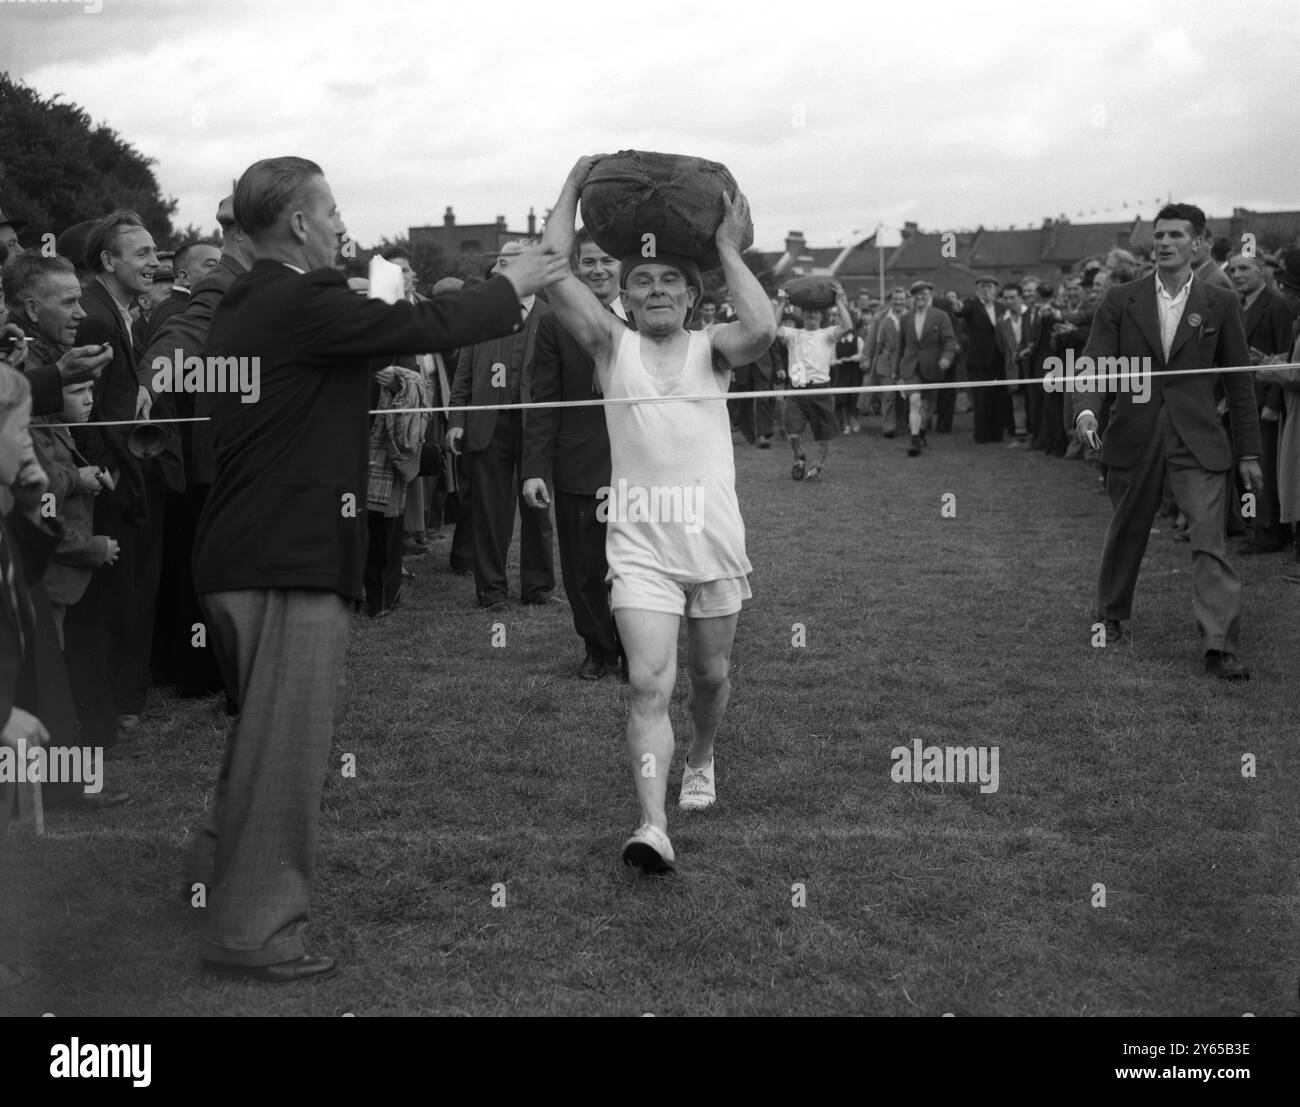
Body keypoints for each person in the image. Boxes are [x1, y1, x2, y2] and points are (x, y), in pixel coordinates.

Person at [184, 156, 568, 982]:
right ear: (296, 223)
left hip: (243, 554)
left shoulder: (256, 300)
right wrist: (516, 285)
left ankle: (210, 880)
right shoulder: (299, 298)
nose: (340, 227)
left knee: (257, 738)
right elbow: (423, 326)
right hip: (286, 559)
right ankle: (254, 929)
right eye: (330, 213)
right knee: (285, 751)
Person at [538, 156, 774, 873]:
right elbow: (551, 271)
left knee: (710, 675)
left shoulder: (716, 349)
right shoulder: (613, 348)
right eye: (643, 280)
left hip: (713, 544)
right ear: (627, 298)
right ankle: (652, 823)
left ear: (694, 297)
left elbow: (761, 327)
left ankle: (701, 754)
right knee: (647, 683)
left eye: (672, 279)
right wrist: (575, 186)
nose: (657, 288)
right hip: (639, 546)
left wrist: (728, 245)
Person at [1074, 203, 1261, 680]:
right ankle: (1110, 618)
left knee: (1208, 538)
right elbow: (1094, 365)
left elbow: (1240, 385)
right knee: (1127, 529)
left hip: (1198, 438)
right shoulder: (1121, 299)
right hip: (1135, 434)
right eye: (1158, 235)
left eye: (1176, 235)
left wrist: (1250, 453)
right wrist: (1089, 409)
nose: (1163, 242)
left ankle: (1219, 644)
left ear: (1199, 244)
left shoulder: (1221, 303)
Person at [522, 230, 627, 680]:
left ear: (624, 265)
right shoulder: (552, 324)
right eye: (589, 262)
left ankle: (639, 649)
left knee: (635, 569)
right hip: (579, 468)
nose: (598, 269)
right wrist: (533, 469)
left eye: (607, 259)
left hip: (641, 467)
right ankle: (600, 650)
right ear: (577, 267)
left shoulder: (649, 316)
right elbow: (542, 401)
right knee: (584, 570)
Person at [773, 282, 853, 480]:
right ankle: (799, 457)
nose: (812, 315)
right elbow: (771, 329)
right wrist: (783, 302)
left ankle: (818, 465)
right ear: (802, 313)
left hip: (821, 389)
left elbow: (848, 326)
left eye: (816, 312)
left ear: (822, 315)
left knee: (824, 436)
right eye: (808, 311)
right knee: (793, 434)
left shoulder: (828, 334)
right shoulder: (793, 334)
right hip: (797, 388)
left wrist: (839, 300)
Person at [896, 281, 956, 457]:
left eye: (923, 294)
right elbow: (901, 345)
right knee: (914, 401)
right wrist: (897, 371)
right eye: (916, 295)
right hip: (910, 366)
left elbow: (949, 341)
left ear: (930, 295)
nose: (920, 298)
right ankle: (914, 441)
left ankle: (921, 432)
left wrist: (946, 358)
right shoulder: (906, 318)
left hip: (932, 367)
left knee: (927, 406)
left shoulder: (941, 316)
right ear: (913, 298)